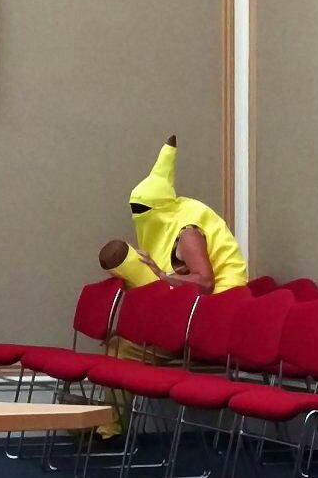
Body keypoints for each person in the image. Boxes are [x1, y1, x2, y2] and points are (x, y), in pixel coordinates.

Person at [93, 135, 248, 439]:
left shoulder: (187, 232)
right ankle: (102, 422)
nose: (138, 216)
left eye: (143, 209)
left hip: (208, 319)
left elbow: (204, 282)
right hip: (182, 318)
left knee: (126, 351)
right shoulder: (166, 228)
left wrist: (163, 277)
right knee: (116, 344)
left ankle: (108, 429)